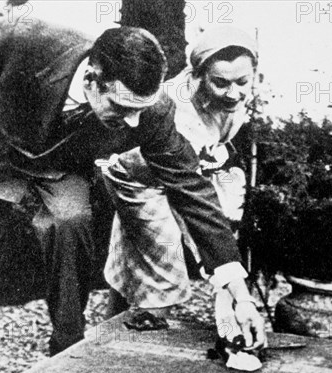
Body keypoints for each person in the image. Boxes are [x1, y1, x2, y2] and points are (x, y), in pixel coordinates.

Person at [0, 16, 265, 373]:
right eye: (121, 107)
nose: (133, 122)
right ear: (91, 81)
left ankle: (67, 363)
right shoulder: (22, 38)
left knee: (72, 222)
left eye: (141, 109)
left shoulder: (150, 111)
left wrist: (238, 289)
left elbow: (191, 188)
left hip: (58, 165)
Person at [103, 27, 259, 342]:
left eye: (243, 82)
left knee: (213, 238)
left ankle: (109, 336)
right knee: (164, 265)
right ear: (197, 75)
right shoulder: (177, 110)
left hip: (183, 176)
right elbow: (189, 192)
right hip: (138, 177)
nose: (233, 94)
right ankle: (124, 353)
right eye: (221, 83)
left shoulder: (235, 97)